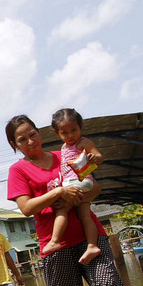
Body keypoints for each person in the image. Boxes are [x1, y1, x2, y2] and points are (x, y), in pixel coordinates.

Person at [4, 114, 143, 286]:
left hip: (90, 238)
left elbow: (94, 188)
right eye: (22, 139)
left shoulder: (66, 154)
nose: (30, 140)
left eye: (32, 133)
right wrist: (58, 192)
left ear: (39, 133)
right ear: (14, 144)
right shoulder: (18, 170)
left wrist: (78, 195)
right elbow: (27, 208)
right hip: (55, 246)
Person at [43, 108, 103, 265]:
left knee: (62, 209)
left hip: (77, 182)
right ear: (58, 133)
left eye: (73, 130)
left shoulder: (83, 142)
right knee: (85, 215)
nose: (70, 135)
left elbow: (99, 156)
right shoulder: (64, 147)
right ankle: (92, 245)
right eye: (65, 132)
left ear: (80, 127)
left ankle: (55, 240)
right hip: (80, 182)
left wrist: (93, 156)